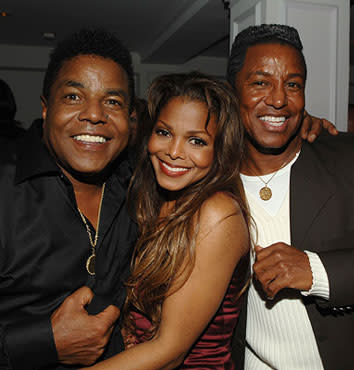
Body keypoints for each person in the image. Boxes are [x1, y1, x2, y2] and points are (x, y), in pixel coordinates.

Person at [75, 72, 250, 369]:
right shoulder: (152, 199)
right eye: (165, 133)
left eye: (196, 140)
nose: (174, 152)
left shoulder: (218, 214)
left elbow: (169, 352)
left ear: (220, 151)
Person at [0, 29, 138, 370]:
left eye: (112, 101)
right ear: (46, 108)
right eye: (74, 97)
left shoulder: (140, 188)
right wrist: (42, 343)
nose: (94, 114)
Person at [227, 24, 354, 370]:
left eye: (293, 85)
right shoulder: (209, 178)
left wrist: (317, 271)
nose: (279, 99)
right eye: (260, 83)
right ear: (232, 93)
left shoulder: (349, 159)